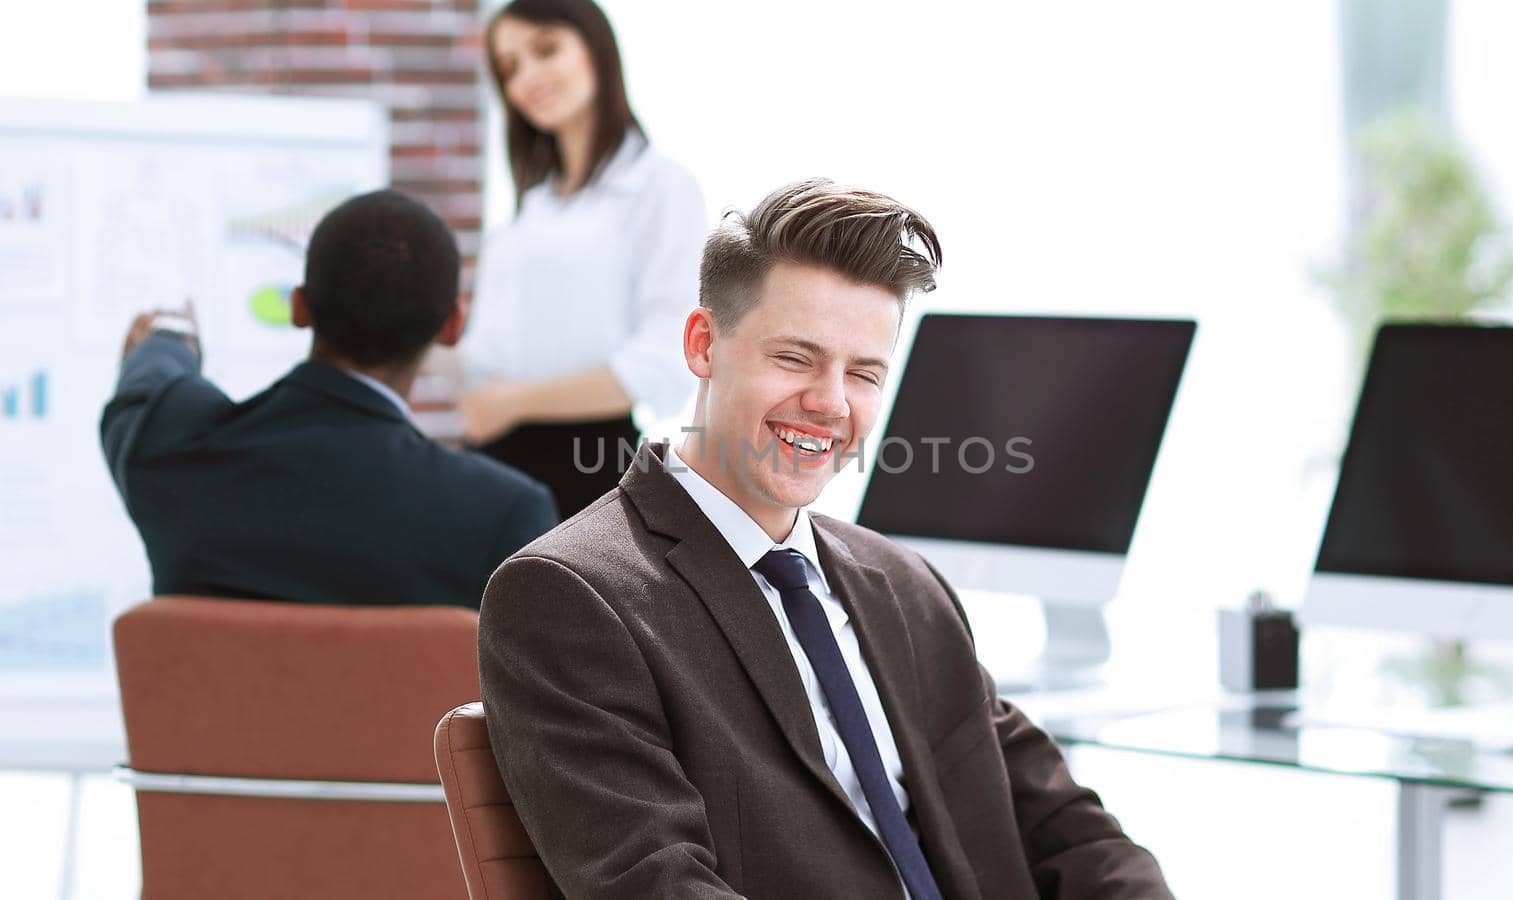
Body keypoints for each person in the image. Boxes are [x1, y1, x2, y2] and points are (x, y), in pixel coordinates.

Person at [479, 180, 1173, 898]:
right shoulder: (571, 597)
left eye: (863, 373)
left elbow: (1069, 828)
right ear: (702, 345)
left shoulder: (905, 587)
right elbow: (655, 885)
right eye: (796, 358)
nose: (831, 403)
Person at [102, 190, 557, 609]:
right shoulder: (503, 515)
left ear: (298, 307)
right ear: (452, 325)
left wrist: (169, 338)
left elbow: (143, 390)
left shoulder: (173, 446)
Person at [459, 0, 707, 516]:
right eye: (509, 68)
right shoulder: (532, 210)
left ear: (596, 48)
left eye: (546, 50)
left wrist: (514, 401)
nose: (527, 77)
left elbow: (666, 359)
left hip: (590, 465)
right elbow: (488, 357)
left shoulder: (660, 187)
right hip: (495, 462)